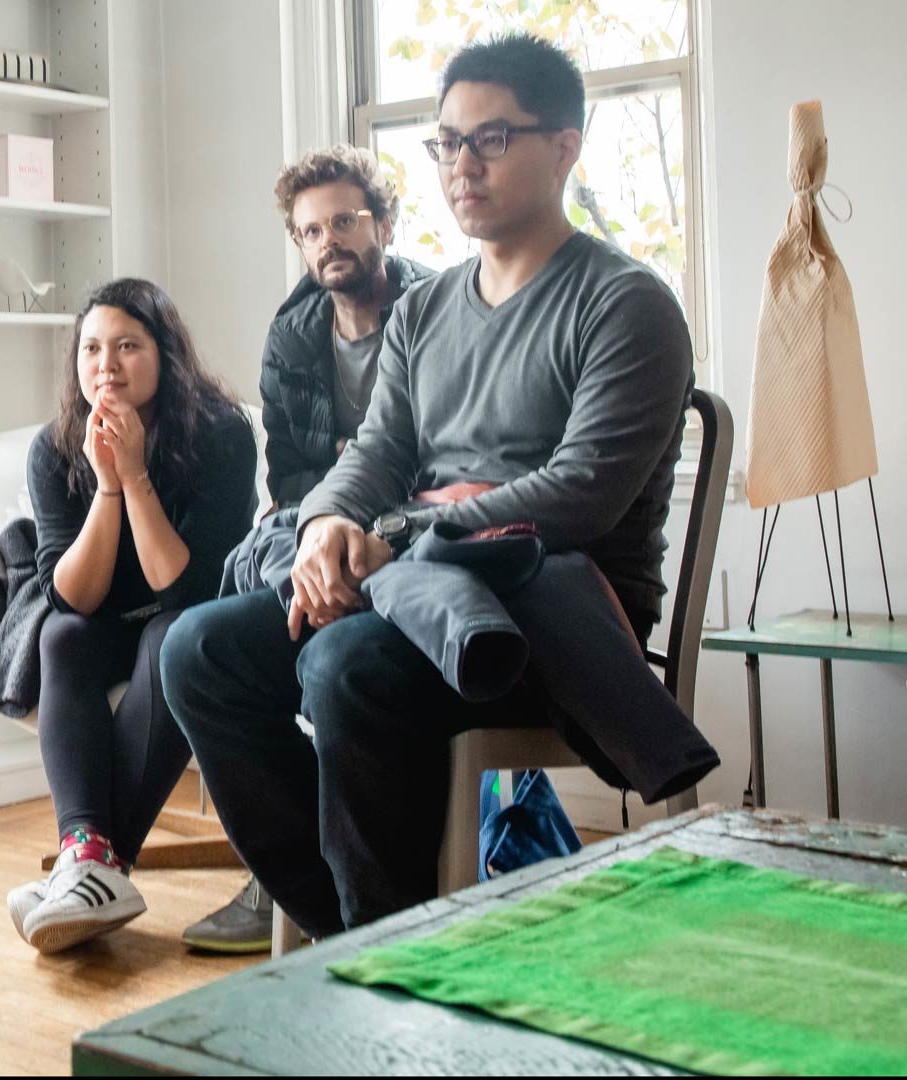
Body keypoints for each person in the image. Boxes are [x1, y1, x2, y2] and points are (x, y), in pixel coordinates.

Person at [160, 33, 705, 937]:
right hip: (413, 590)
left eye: (490, 140)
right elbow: (375, 452)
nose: (462, 165)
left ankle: (394, 964)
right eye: (446, 143)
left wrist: (398, 535)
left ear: (564, 146)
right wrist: (329, 523)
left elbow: (580, 495)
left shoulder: (627, 304)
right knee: (199, 651)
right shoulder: (424, 309)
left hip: (547, 621)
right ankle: (364, 938)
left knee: (340, 664)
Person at [183, 145, 436, 954]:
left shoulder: (442, 309)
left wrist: (369, 537)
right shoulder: (292, 336)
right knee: (209, 632)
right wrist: (322, 543)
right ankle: (319, 890)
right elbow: (289, 480)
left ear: (384, 223)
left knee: (325, 651)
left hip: (415, 541)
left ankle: (375, 898)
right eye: (308, 230)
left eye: (343, 222)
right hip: (319, 539)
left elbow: (457, 463)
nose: (327, 241)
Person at [5, 278, 256, 954]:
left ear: (165, 353)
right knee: (61, 635)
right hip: (101, 625)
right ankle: (87, 855)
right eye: (90, 349)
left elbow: (186, 591)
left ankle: (90, 870)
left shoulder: (224, 434)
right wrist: (107, 483)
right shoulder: (55, 448)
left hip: (183, 620)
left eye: (126, 346)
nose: (105, 366)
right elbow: (72, 597)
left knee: (172, 638)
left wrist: (137, 474)